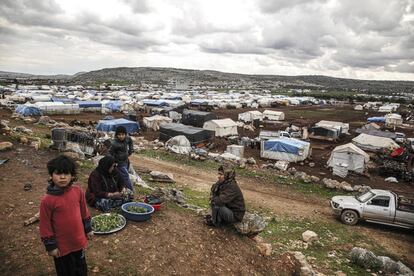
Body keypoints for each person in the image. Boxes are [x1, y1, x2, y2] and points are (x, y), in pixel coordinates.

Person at [39, 155, 93, 276]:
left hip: (78, 241)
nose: (62, 177)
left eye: (66, 173)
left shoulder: (77, 191)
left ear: (72, 175)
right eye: (58, 173)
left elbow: (84, 211)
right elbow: (45, 225)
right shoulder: (48, 200)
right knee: (66, 271)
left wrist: (88, 228)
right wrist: (51, 246)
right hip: (62, 247)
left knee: (81, 269)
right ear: (51, 175)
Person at [109, 126, 134, 191]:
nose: (121, 136)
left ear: (125, 134)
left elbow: (130, 141)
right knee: (125, 176)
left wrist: (130, 151)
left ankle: (121, 188)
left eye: (123, 134)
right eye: (119, 135)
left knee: (122, 176)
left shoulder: (127, 139)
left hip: (126, 161)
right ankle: (131, 191)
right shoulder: (114, 143)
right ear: (116, 135)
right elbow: (110, 153)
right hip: (120, 163)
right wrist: (115, 161)